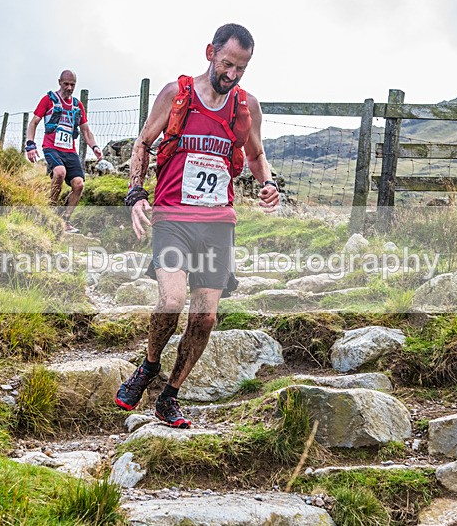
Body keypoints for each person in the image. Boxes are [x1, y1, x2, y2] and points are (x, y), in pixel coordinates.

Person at [115, 23, 280, 428]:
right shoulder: (177, 94)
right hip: (173, 217)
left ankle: (170, 396)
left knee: (206, 317)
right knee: (171, 302)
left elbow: (256, 156)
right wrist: (136, 193)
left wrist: (269, 184)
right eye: (227, 64)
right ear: (210, 52)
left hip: (217, 224)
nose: (233, 75)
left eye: (241, 68)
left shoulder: (247, 107)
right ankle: (149, 367)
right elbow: (143, 142)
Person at [26, 70, 102, 233]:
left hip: (69, 151)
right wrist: (30, 145)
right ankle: (49, 214)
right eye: (66, 84)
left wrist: (94, 147)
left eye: (72, 85)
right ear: (59, 82)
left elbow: (86, 131)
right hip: (51, 147)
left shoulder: (77, 105)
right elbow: (33, 123)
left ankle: (64, 220)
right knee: (59, 172)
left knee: (79, 184)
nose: (69, 87)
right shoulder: (48, 100)